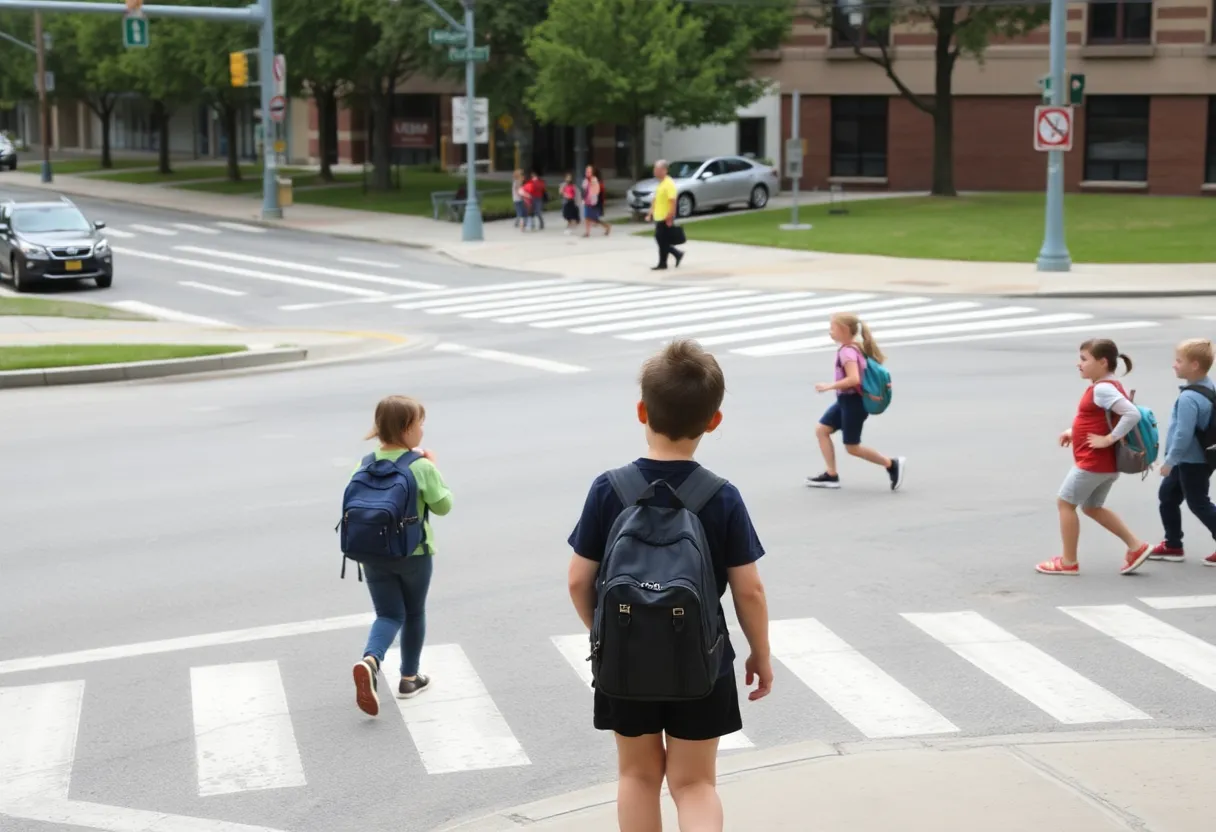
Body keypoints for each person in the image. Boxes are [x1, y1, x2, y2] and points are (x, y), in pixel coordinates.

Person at [566, 338, 773, 832]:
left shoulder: (609, 489)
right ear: (713, 420)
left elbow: (578, 580)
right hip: (702, 659)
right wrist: (759, 654)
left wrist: (605, 632)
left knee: (637, 776)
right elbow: (749, 591)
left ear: (642, 411)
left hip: (625, 658)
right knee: (695, 784)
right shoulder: (721, 497)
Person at [350, 395, 453, 716]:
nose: (422, 429)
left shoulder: (365, 463)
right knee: (413, 613)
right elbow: (443, 506)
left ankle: (371, 659)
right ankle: (409, 678)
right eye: (420, 424)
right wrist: (433, 468)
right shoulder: (420, 466)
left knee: (387, 614)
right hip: (414, 553)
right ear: (408, 428)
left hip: (371, 552)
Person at [1037, 338, 1150, 576]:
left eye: (1084, 359)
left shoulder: (1102, 388)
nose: (1079, 364)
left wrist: (1107, 439)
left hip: (1093, 463)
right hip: (1105, 465)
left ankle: (1068, 562)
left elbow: (1131, 415)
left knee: (1065, 504)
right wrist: (1073, 431)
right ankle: (1136, 547)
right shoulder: (1109, 385)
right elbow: (1101, 419)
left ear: (1102, 362)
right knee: (1092, 507)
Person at [806, 312, 905, 491]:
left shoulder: (848, 352)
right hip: (846, 401)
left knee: (852, 447)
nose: (830, 332)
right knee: (822, 430)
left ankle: (891, 464)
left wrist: (829, 386)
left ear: (844, 330)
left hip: (854, 403)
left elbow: (854, 379)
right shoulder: (853, 347)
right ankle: (831, 475)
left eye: (832, 328)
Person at [1148, 337, 1216, 566]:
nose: (1174, 365)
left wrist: (1169, 461)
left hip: (1191, 461)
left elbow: (1183, 435)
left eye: (1179, 361)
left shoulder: (1189, 397)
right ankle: (1173, 545)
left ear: (1194, 364)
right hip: (1197, 458)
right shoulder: (1209, 387)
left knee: (1198, 502)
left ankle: (1173, 544)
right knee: (1167, 497)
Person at [645, 159, 683, 271]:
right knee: (662, 240)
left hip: (665, 217)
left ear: (664, 170)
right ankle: (675, 255)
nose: (655, 171)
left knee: (661, 239)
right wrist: (650, 213)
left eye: (658, 169)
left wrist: (670, 216)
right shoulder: (661, 184)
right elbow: (655, 200)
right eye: (655, 169)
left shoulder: (669, 183)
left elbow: (673, 201)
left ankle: (665, 262)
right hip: (659, 216)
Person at [582, 165, 611, 237]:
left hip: (593, 202)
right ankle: (587, 233)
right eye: (586, 171)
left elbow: (596, 192)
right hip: (587, 202)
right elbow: (585, 190)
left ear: (592, 173)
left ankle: (607, 226)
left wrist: (592, 200)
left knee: (593, 219)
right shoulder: (586, 180)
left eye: (589, 172)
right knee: (587, 217)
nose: (587, 173)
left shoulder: (594, 181)